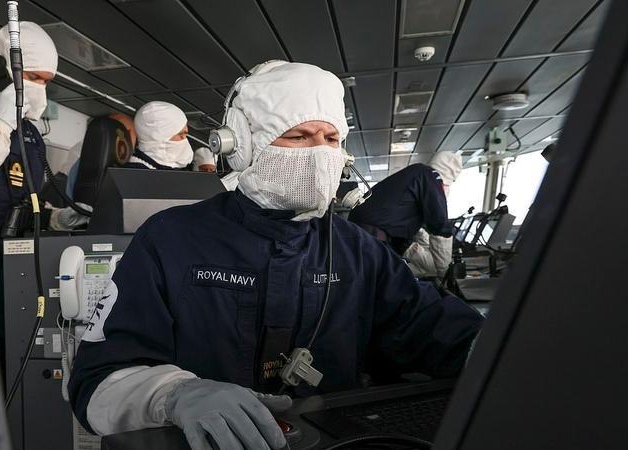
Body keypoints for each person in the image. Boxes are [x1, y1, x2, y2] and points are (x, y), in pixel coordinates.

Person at [68, 61, 483, 450]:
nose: (320, 154)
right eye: (299, 137)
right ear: (243, 145)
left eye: (331, 140)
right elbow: (97, 381)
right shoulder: (170, 239)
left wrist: (498, 348)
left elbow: (438, 329)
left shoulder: (357, 250)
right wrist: (173, 394)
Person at [0, 22, 57, 373]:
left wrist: (55, 216)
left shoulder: (29, 129)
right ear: (1, 69)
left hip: (16, 252)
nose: (39, 89)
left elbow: (29, 189)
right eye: (32, 77)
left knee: (12, 347)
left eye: (46, 82)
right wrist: (0, 122)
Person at [348, 150, 461, 255]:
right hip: (371, 236)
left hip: (359, 230)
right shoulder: (430, 176)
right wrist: (444, 265)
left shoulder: (416, 172)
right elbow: (439, 220)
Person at [404, 152, 463, 279]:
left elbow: (419, 226)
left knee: (426, 266)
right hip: (393, 238)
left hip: (392, 234)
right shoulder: (432, 185)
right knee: (435, 268)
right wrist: (445, 273)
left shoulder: (418, 175)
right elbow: (440, 228)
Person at [126, 101, 193, 170]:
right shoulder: (135, 172)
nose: (184, 139)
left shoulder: (167, 168)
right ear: (158, 137)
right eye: (180, 134)